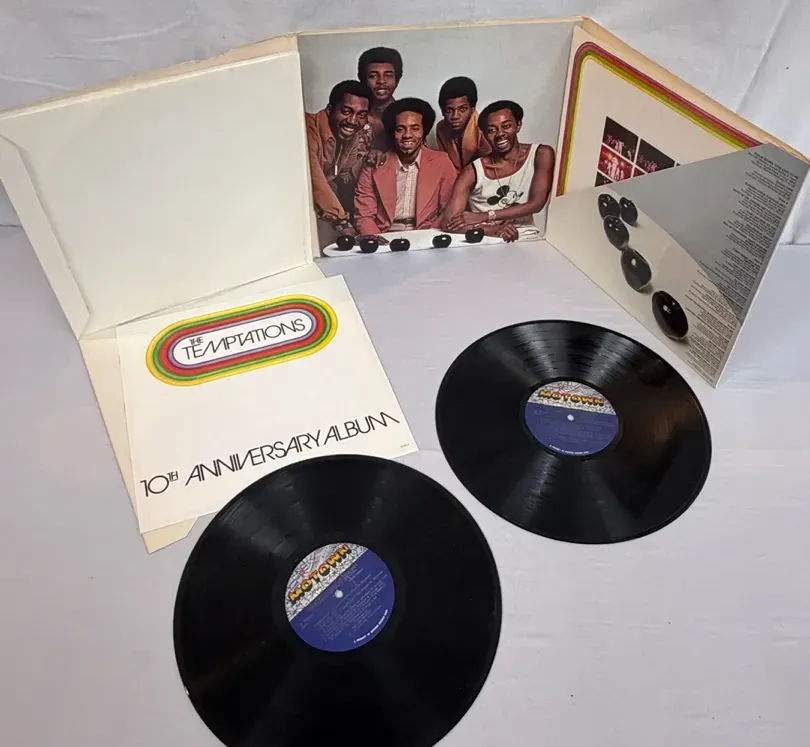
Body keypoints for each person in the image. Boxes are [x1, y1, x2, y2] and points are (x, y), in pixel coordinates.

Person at [443, 100, 555, 242]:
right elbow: (449, 222)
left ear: (518, 125)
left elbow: (537, 203)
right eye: (491, 130)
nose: (500, 133)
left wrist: (486, 216)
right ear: (483, 134)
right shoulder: (472, 171)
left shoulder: (541, 154)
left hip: (527, 238)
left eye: (506, 126)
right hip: (486, 240)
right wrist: (492, 230)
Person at [353, 97, 457, 237]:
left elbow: (449, 208)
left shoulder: (442, 162)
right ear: (393, 133)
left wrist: (430, 236)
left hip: (427, 233)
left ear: (424, 131)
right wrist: (377, 241)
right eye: (400, 129)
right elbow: (364, 214)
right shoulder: (374, 164)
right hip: (385, 235)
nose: (407, 135)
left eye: (415, 128)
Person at [305, 80, 376, 238]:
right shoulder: (306, 128)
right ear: (330, 109)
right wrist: (343, 224)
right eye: (346, 111)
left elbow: (345, 176)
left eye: (361, 115)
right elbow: (314, 180)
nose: (353, 121)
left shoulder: (351, 137)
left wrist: (371, 158)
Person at [435, 76, 490, 172]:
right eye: (449, 110)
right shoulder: (441, 129)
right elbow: (446, 165)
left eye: (463, 109)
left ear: (472, 109)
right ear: (442, 111)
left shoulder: (484, 126)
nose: (455, 116)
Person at [357, 47, 403, 149]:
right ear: (363, 80)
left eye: (388, 75)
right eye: (373, 76)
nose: (381, 81)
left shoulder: (408, 116)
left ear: (397, 80)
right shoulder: (351, 117)